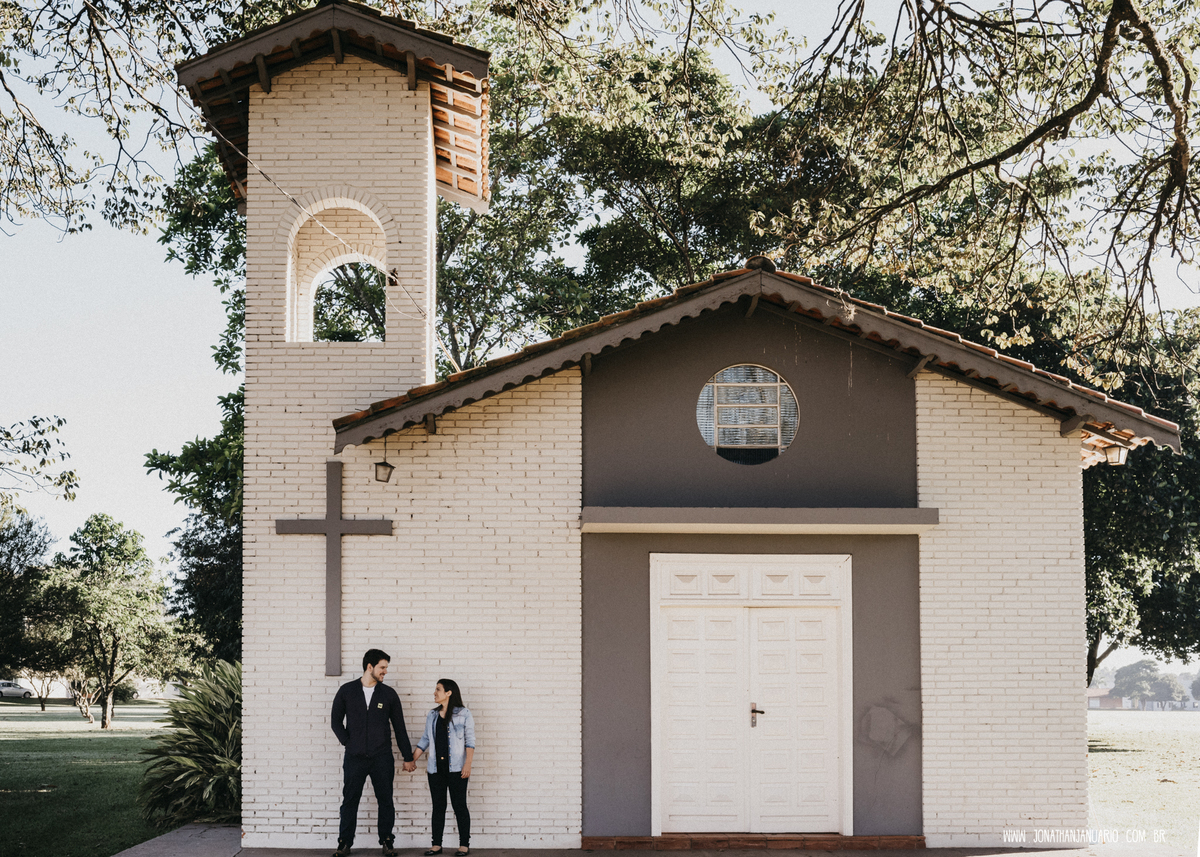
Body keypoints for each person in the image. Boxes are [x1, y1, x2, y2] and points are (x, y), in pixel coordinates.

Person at [330, 649, 416, 857]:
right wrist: (348, 743)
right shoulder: (347, 691)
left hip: (381, 758)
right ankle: (344, 843)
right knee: (350, 800)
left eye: (386, 668)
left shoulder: (388, 694)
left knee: (385, 800)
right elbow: (335, 721)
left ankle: (387, 841)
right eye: (382, 667)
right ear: (370, 667)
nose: (385, 671)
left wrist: (407, 757)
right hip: (355, 757)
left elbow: (399, 728)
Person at [413, 679, 475, 856]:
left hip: (457, 769)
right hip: (436, 770)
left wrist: (467, 764)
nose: (435, 692)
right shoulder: (432, 715)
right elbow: (425, 739)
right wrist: (412, 760)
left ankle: (464, 844)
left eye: (438, 689)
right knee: (438, 807)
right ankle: (436, 845)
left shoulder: (464, 714)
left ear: (449, 693)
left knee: (459, 806)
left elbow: (470, 741)